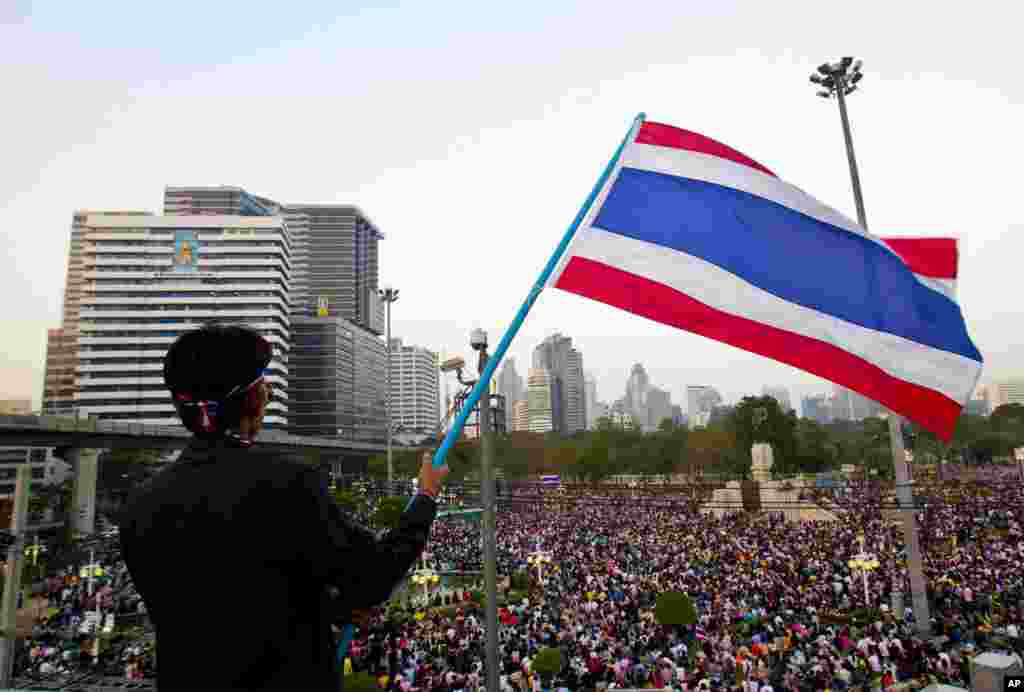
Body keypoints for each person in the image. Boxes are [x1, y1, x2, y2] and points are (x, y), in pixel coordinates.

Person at [119, 324, 447, 691]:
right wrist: (426, 497)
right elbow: (373, 576)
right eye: (262, 383)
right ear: (248, 400)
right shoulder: (286, 484)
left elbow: (219, 607)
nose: (269, 392)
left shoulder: (141, 504)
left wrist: (328, 608)